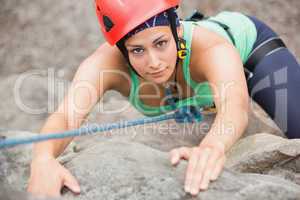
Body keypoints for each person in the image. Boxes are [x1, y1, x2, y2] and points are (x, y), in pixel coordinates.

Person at [27, 0, 300, 197]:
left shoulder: (212, 48)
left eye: (161, 43)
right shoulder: (105, 65)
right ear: (122, 50)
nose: (154, 62)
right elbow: (67, 115)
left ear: (177, 30)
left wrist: (212, 147)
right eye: (137, 50)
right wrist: (42, 159)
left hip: (251, 47)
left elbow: (235, 108)